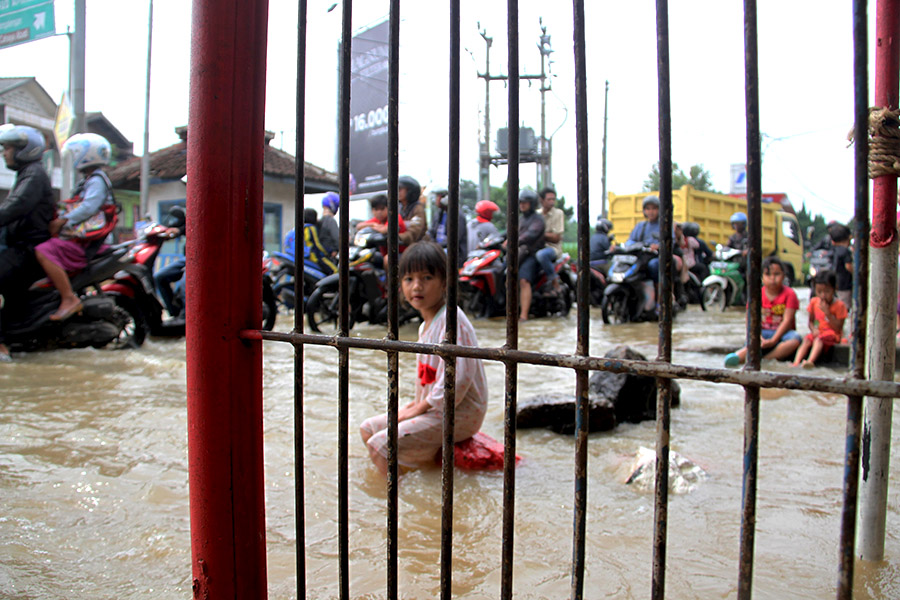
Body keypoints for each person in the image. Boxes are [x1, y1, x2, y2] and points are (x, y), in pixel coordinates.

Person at [359, 241, 488, 475]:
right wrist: (416, 406)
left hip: (460, 413)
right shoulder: (426, 324)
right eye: (409, 279)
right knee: (367, 429)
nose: (416, 287)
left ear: (444, 282)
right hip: (434, 407)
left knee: (380, 445)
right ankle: (416, 471)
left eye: (427, 278)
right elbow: (427, 377)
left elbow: (457, 380)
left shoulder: (452, 323)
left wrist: (419, 409)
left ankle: (400, 497)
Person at [34, 133, 115, 321]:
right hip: (82, 240)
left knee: (43, 250)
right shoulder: (88, 180)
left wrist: (63, 221)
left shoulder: (96, 180)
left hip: (90, 243)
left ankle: (68, 297)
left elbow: (89, 206)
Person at [0, 125, 55, 362]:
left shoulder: (33, 173)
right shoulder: (26, 173)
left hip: (28, 249)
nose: (4, 153)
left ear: (26, 150)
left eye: (8, 148)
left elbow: (17, 205)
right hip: (21, 247)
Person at [724, 256, 802, 367]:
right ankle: (737, 357)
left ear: (783, 276)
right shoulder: (756, 294)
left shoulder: (790, 294)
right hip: (762, 332)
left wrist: (774, 340)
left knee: (795, 340)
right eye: (768, 274)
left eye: (776, 274)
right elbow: (750, 320)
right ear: (762, 277)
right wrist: (758, 337)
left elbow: (787, 321)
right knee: (750, 346)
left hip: (783, 333)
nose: (772, 278)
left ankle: (765, 359)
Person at [792, 269, 847, 368]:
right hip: (819, 332)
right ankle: (796, 362)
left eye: (827, 291)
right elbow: (811, 322)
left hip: (832, 334)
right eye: (819, 291)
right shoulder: (814, 302)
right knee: (807, 339)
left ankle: (810, 361)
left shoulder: (839, 305)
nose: (823, 295)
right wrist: (813, 330)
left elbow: (838, 328)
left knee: (818, 340)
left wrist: (828, 313)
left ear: (834, 289)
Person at [515, 189, 546, 321]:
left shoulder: (538, 219)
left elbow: (532, 234)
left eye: (525, 202)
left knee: (524, 281)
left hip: (531, 254)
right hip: (517, 254)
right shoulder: (520, 219)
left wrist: (516, 240)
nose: (522, 205)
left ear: (532, 204)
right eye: (521, 202)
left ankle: (524, 315)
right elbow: (509, 231)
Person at [153, 205, 187, 319]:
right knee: (160, 276)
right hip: (186, 258)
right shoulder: (187, 219)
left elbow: (186, 227)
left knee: (185, 286)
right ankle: (175, 314)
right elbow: (179, 225)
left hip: (199, 260)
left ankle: (185, 319)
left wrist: (179, 231)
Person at [534, 187, 566, 296]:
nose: (552, 202)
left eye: (553, 199)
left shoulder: (558, 213)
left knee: (541, 255)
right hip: (535, 247)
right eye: (549, 199)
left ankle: (554, 282)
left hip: (552, 249)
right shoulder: (536, 214)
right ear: (541, 200)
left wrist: (539, 234)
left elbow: (556, 238)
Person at [355, 193, 407, 257]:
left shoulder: (395, 217)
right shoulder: (376, 220)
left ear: (388, 208)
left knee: (387, 259)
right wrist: (373, 225)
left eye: (382, 209)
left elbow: (385, 230)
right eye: (376, 209)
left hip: (401, 254)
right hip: (384, 253)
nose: (379, 212)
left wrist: (375, 227)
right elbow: (359, 226)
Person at [427, 187, 468, 268]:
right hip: (438, 251)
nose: (436, 200)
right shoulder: (438, 214)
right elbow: (432, 232)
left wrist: (437, 247)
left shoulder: (457, 215)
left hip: (452, 255)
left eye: (438, 197)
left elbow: (455, 238)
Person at [398, 175, 427, 246]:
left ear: (410, 191)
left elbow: (413, 234)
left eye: (400, 189)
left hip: (418, 248)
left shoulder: (417, 208)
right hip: (405, 246)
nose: (398, 192)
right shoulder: (401, 208)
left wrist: (395, 237)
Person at [828, 223, 853, 307]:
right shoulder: (846, 251)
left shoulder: (834, 250)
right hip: (845, 283)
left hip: (835, 281)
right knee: (844, 305)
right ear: (848, 237)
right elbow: (848, 266)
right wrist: (857, 274)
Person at [318, 192, 340, 257]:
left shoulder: (320, 221)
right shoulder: (331, 221)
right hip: (328, 254)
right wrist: (336, 249)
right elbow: (337, 238)